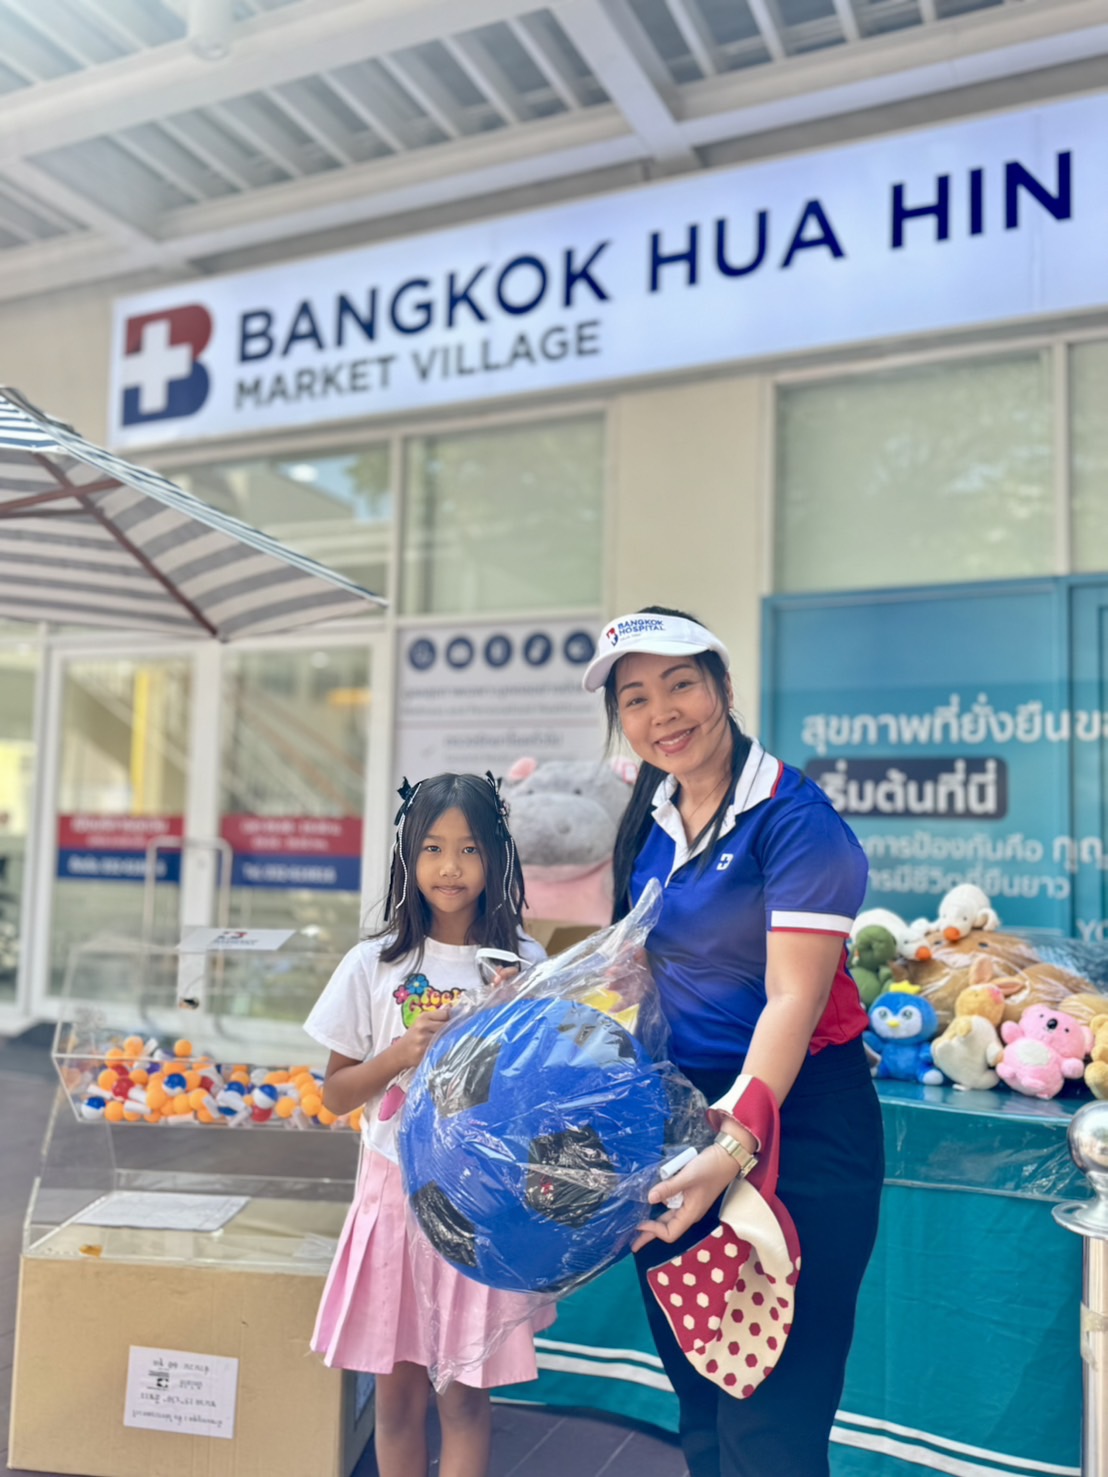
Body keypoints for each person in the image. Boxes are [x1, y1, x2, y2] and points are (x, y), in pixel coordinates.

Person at [583, 607, 884, 1477]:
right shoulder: (651, 818)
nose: (662, 713)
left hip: (795, 1129)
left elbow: (795, 995)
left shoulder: (795, 819)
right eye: (636, 698)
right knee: (704, 1407)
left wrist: (735, 1142)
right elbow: (638, 967)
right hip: (681, 1130)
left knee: (771, 1429)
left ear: (720, 684)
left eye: (680, 683)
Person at [304, 772, 551, 1477]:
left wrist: (513, 1023)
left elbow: (544, 1092)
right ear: (407, 856)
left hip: (479, 1203)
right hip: (392, 1197)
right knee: (396, 1399)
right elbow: (335, 1095)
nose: (451, 867)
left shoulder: (524, 963)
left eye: (470, 849)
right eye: (434, 848)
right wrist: (400, 1054)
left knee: (466, 1398)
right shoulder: (374, 964)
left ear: (496, 858)